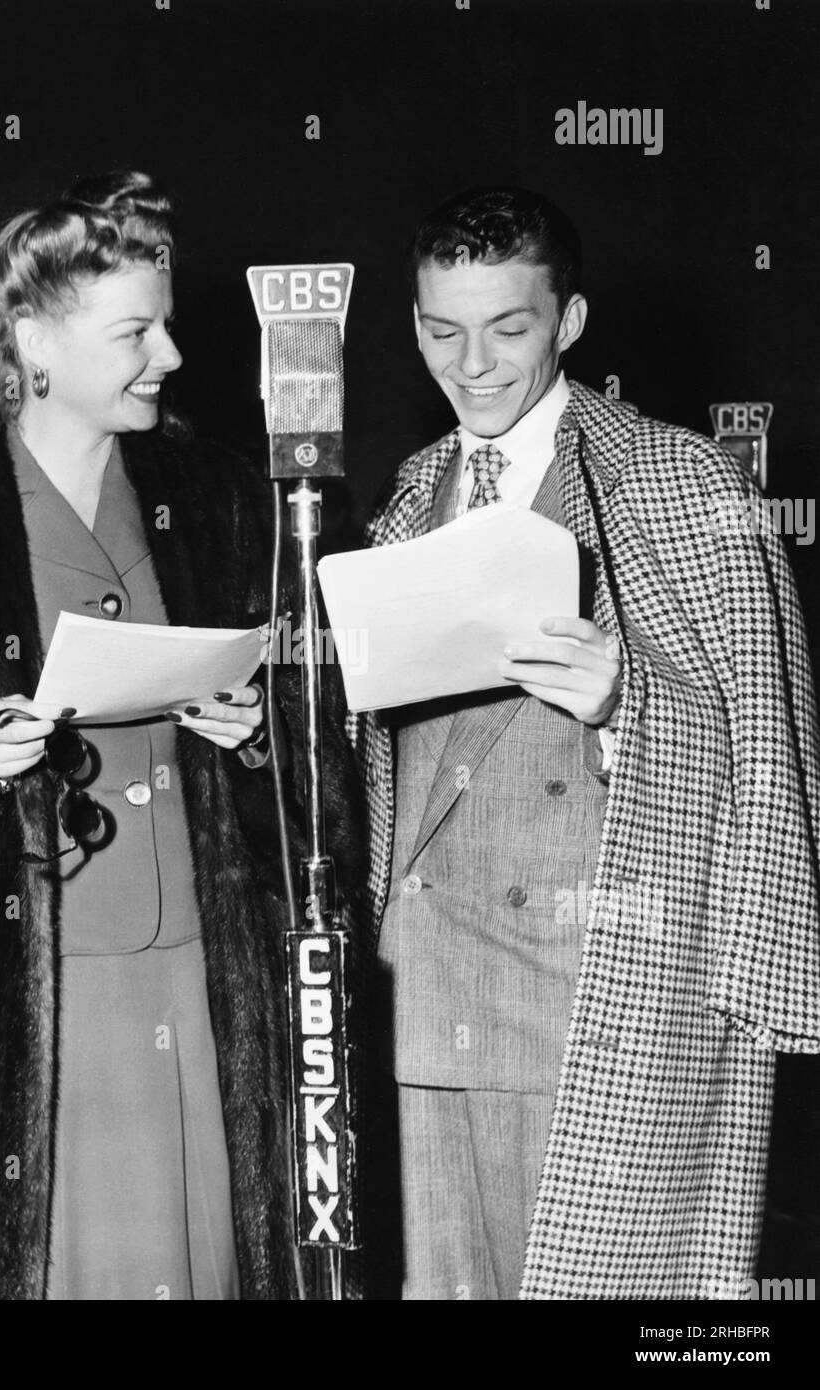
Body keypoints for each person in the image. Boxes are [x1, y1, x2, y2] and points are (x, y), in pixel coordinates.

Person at [0, 170, 363, 1300]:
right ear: (29, 337)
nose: (167, 356)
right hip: (18, 987)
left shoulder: (220, 500)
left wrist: (258, 730)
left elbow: (324, 728)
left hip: (205, 972)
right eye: (135, 331)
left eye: (163, 324)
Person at [350, 186, 820, 1299]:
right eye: (439, 328)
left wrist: (628, 700)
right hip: (422, 992)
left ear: (566, 322)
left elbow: (774, 742)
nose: (469, 365)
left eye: (506, 327)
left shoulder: (687, 481)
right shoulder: (408, 497)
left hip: (600, 987)